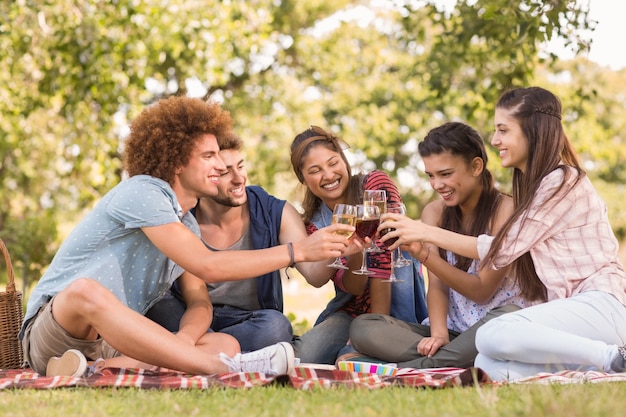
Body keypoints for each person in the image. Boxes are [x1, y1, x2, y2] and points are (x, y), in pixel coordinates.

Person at [20, 96, 355, 378]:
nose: (221, 168)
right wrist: (296, 251)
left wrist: (184, 339)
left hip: (110, 342)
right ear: (178, 162)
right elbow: (209, 265)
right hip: (59, 327)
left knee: (225, 342)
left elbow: (199, 300)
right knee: (84, 290)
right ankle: (226, 369)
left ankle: (92, 370)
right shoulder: (142, 192)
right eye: (208, 157)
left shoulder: (186, 224)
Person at [379, 87, 626, 381]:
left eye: (503, 130)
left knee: (492, 333)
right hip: (570, 309)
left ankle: (613, 357)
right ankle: (600, 366)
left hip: (601, 302)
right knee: (488, 363)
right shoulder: (536, 186)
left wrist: (425, 233)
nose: (495, 140)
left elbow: (502, 248)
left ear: (532, 131)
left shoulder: (561, 180)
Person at [349, 122, 528, 369]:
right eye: (430, 176)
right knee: (364, 327)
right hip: (454, 334)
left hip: (494, 327)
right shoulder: (434, 211)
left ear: (476, 166)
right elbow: (438, 286)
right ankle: (453, 359)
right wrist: (439, 334)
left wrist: (424, 250)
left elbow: (481, 290)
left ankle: (414, 368)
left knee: (509, 318)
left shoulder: (505, 209)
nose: (436, 185)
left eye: (445, 174)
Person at [147, 134, 338, 352]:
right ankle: (219, 353)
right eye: (226, 172)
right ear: (206, 175)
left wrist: (340, 248)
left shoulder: (275, 213)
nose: (239, 179)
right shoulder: (183, 217)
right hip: (187, 312)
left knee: (276, 327)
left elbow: (315, 275)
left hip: (246, 321)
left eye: (241, 166)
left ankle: (180, 350)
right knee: (157, 305)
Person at [288, 125, 428, 365]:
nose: (329, 175)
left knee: (352, 360)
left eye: (333, 163)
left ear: (343, 160)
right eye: (315, 170)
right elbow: (351, 288)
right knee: (304, 358)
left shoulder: (374, 184)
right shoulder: (314, 225)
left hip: (396, 303)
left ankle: (370, 350)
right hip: (350, 312)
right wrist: (356, 254)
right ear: (303, 178)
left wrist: (372, 331)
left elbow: (386, 257)